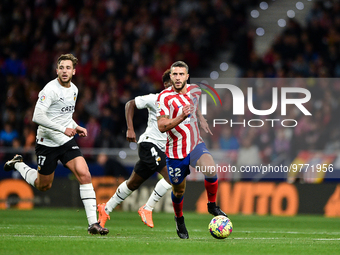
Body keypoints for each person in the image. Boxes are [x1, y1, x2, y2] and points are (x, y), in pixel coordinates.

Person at [3, 54, 108, 235]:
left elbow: (65, 117)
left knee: (85, 174)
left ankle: (93, 224)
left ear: (74, 71)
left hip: (66, 141)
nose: (65, 71)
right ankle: (18, 163)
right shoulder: (49, 90)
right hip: (47, 143)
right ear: (56, 70)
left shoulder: (74, 90)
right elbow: (38, 116)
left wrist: (76, 126)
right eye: (61, 68)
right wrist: (62, 128)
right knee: (43, 185)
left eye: (68, 68)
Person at [157, 61, 227, 239]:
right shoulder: (164, 97)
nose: (178, 77)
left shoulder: (195, 90)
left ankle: (212, 204)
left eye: (181, 74)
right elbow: (162, 126)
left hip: (195, 144)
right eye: (175, 74)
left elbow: (193, 106)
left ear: (187, 76)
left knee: (211, 169)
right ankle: (179, 218)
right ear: (171, 76)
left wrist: (200, 118)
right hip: (176, 151)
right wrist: (181, 117)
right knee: (179, 191)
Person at [97, 69, 173, 228]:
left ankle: (106, 209)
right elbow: (130, 104)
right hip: (149, 144)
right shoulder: (156, 98)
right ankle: (147, 208)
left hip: (159, 149)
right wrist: (130, 128)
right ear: (166, 84)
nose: (178, 86)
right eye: (174, 82)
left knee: (132, 184)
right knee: (171, 175)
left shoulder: (178, 104)